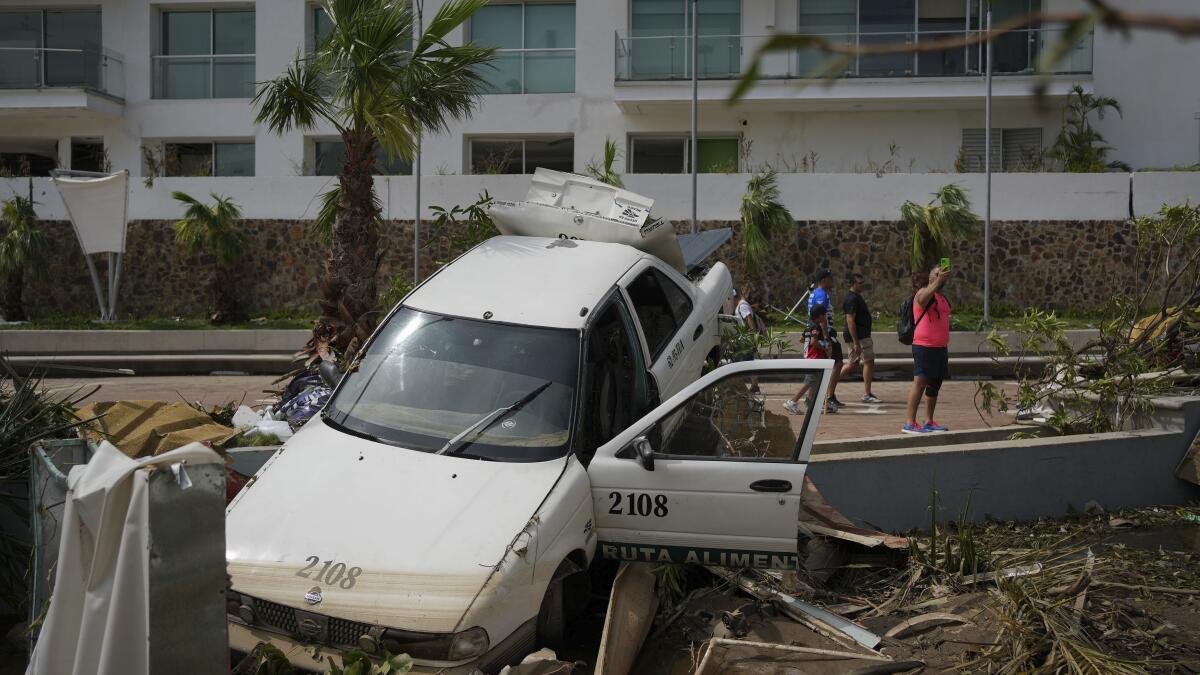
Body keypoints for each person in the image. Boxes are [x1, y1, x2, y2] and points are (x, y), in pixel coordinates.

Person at [902, 265, 952, 434]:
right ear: (931, 277)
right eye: (937, 274)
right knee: (920, 382)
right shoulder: (922, 293)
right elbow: (922, 301)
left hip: (940, 347)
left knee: (935, 383)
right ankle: (910, 422)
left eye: (943, 274)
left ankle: (929, 421)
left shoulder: (942, 298)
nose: (941, 276)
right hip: (924, 346)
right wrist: (937, 281)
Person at [784, 304, 836, 415]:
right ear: (820, 315)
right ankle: (792, 401)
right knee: (810, 381)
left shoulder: (809, 326)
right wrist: (824, 347)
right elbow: (813, 341)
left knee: (814, 381)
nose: (825, 317)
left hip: (809, 357)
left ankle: (810, 402)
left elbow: (801, 339)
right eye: (824, 315)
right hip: (815, 358)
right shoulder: (816, 326)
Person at [841, 273, 881, 404]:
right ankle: (867, 394)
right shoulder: (852, 299)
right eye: (860, 283)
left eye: (863, 282)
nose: (862, 285)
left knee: (853, 363)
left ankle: (826, 385)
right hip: (859, 337)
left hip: (860, 336)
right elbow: (850, 320)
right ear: (852, 283)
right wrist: (856, 342)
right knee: (869, 361)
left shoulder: (856, 297)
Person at [808, 270, 844, 409]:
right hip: (825, 332)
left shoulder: (815, 293)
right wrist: (826, 336)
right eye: (830, 278)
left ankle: (823, 397)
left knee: (835, 363)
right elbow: (820, 316)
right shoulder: (821, 295)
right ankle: (828, 396)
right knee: (836, 362)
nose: (832, 281)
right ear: (824, 280)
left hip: (823, 331)